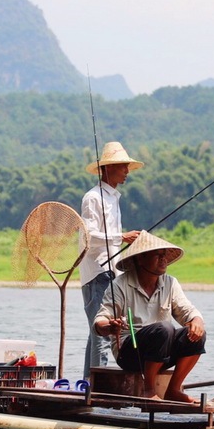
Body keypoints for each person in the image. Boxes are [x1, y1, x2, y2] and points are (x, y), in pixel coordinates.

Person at [93, 230, 206, 403]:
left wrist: (196, 320)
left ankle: (173, 390)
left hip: (162, 351)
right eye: (157, 255)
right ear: (140, 259)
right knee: (164, 328)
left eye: (164, 255)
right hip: (130, 353)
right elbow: (101, 320)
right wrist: (110, 327)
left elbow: (187, 311)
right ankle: (149, 390)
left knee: (197, 334)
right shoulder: (120, 284)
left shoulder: (170, 283)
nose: (164, 259)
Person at [79, 141, 143, 375]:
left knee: (97, 332)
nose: (127, 171)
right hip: (97, 272)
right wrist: (121, 236)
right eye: (123, 167)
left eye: (127, 167)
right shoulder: (93, 197)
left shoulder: (114, 198)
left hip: (110, 270)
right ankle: (96, 389)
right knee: (102, 334)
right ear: (107, 169)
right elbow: (89, 236)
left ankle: (89, 383)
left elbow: (109, 239)